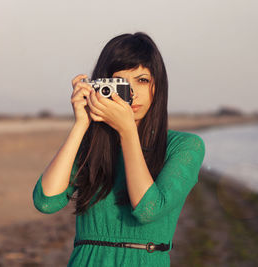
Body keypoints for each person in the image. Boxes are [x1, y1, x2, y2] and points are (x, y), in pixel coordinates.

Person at [32, 32, 205, 267]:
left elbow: (147, 209)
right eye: (121, 83)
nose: (132, 94)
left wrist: (127, 132)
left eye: (142, 80)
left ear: (158, 86)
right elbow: (46, 201)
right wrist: (81, 124)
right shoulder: (92, 146)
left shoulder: (184, 146)